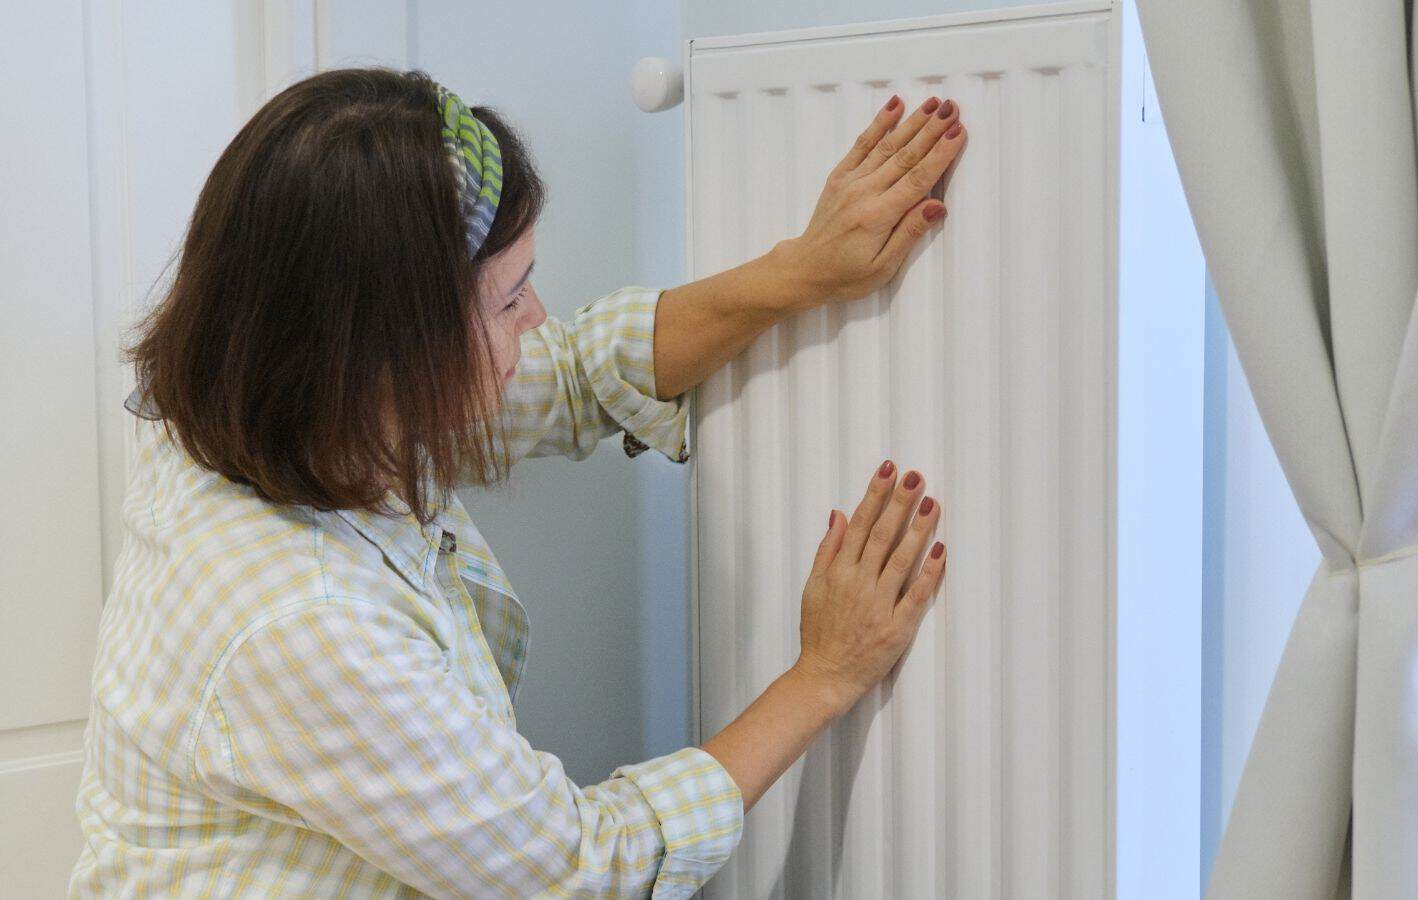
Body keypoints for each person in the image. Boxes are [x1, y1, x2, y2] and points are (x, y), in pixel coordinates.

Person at [67, 67, 965, 897]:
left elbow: (572, 372)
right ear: (390, 349)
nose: (536, 313)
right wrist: (824, 676)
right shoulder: (300, 620)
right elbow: (578, 866)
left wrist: (800, 270)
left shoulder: (267, 401)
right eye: (509, 296)